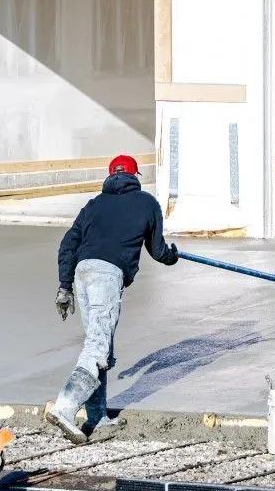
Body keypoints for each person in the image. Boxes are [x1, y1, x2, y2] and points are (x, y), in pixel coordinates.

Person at [46, 154, 179, 443]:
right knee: (97, 345)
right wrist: (173, 255)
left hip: (82, 272)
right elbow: (157, 251)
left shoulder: (94, 205)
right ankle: (65, 407)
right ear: (134, 177)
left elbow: (68, 243)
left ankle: (97, 417)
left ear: (110, 176)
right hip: (107, 276)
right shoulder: (147, 203)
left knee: (98, 344)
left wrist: (64, 286)